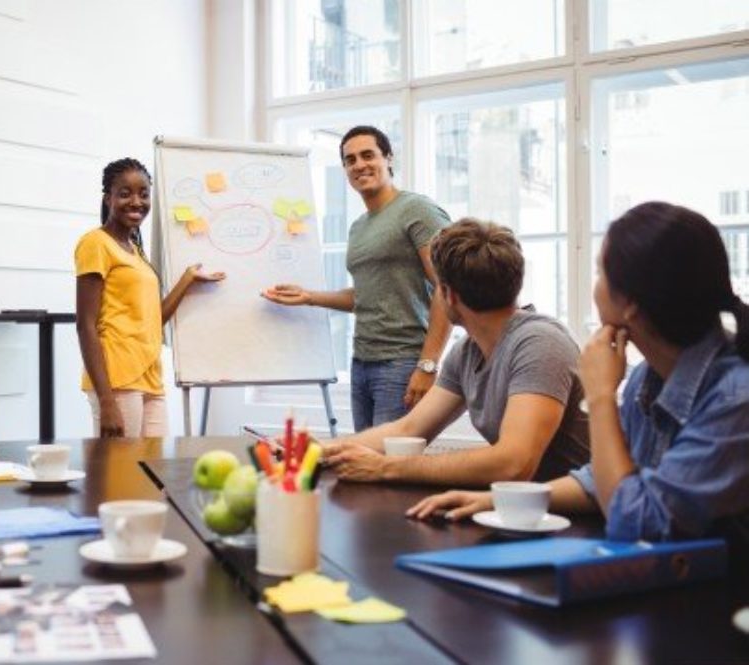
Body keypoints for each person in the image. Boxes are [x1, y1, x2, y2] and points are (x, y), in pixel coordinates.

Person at [409, 202, 749, 554]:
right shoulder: (648, 378)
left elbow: (635, 522)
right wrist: (500, 501)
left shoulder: (735, 400)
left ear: (630, 303)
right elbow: (598, 481)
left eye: (601, 273)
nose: (595, 285)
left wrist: (601, 397)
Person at [323, 219, 590, 485]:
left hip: (583, 520)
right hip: (525, 509)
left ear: (448, 294)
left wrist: (387, 467)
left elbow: (513, 464)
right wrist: (316, 451)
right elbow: (409, 429)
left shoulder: (541, 344)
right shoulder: (467, 351)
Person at [262, 125, 452, 431]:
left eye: (367, 155)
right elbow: (367, 293)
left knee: (389, 464)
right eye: (350, 160)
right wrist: (309, 297)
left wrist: (428, 364)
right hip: (362, 363)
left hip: (403, 362)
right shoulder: (359, 226)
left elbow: (449, 286)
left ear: (388, 158)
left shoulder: (417, 209)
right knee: (366, 464)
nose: (359, 165)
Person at [75, 157, 225, 437]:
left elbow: (154, 320)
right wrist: (106, 399)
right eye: (125, 193)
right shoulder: (95, 243)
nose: (136, 201)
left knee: (154, 472)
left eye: (144, 194)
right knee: (122, 474)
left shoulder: (135, 251)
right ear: (108, 199)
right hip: (117, 379)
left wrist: (187, 280)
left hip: (150, 376)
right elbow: (85, 325)